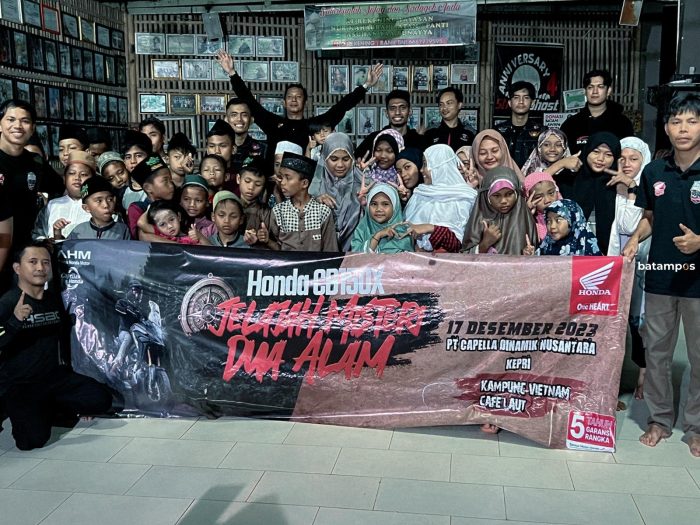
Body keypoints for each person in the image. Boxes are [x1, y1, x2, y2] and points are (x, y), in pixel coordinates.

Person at [622, 93, 700, 456]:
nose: (683, 129)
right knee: (657, 355)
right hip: (660, 277)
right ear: (666, 128)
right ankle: (659, 420)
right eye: (676, 122)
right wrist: (634, 240)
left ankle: (696, 427)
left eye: (692, 121)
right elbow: (650, 217)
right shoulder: (654, 171)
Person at [0, 241, 114, 450]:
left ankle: (51, 407)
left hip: (54, 378)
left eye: (45, 262)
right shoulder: (7, 302)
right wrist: (14, 322)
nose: (40, 268)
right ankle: (20, 409)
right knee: (31, 442)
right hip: (21, 383)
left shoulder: (53, 300)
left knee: (101, 400)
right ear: (17, 268)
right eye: (33, 262)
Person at [217, 49, 381, 157]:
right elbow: (250, 102)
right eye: (290, 97)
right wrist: (232, 73)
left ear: (305, 102)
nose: (294, 100)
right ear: (284, 102)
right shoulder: (272, 123)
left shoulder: (314, 126)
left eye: (298, 97)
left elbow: (341, 107)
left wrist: (366, 85)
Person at [607, 137, 652, 398]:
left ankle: (644, 374)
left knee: (640, 320)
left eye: (633, 159)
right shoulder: (613, 187)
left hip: (643, 259)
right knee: (616, 320)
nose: (626, 164)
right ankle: (615, 377)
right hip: (617, 260)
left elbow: (637, 223)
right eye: (622, 159)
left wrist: (633, 188)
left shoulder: (649, 186)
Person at [0, 100, 63, 279]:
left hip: (26, 252)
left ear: (33, 128)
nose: (17, 126)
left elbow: (60, 189)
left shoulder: (36, 162)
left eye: (25, 121)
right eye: (11, 119)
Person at [403, 144, 479, 252]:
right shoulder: (419, 194)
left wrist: (431, 228)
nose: (421, 170)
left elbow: (462, 243)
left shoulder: (465, 198)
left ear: (439, 166)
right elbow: (405, 230)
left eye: (425, 164)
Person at [267, 152, 338, 252]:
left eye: (288, 178)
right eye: (281, 177)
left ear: (304, 183)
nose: (282, 182)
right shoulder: (278, 211)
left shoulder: (322, 212)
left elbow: (330, 250)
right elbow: (275, 251)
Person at [462, 167, 538, 255]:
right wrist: (484, 244)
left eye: (509, 194)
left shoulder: (524, 219)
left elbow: (537, 252)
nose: (503, 201)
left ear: (516, 193)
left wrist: (529, 255)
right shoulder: (479, 220)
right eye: (496, 196)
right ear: (486, 196)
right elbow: (464, 257)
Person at [561, 69, 634, 155]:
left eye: (600, 87)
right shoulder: (571, 124)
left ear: (608, 91)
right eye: (590, 87)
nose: (595, 91)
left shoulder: (622, 123)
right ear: (585, 91)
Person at [310, 133, 363, 252]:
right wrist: (315, 200)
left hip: (355, 253)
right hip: (321, 253)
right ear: (324, 158)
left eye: (346, 159)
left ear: (352, 158)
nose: (340, 165)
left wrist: (366, 202)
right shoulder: (313, 186)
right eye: (334, 159)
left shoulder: (364, 184)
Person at [571, 131, 621, 254]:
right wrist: (560, 164)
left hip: (609, 253)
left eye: (608, 154)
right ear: (587, 150)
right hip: (571, 252)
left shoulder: (619, 184)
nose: (600, 159)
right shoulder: (570, 179)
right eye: (596, 152)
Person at [40, 151, 96, 241]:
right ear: (64, 178)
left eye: (83, 174)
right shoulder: (52, 205)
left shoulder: (99, 206)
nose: (77, 178)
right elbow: (38, 234)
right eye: (72, 173)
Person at [356, 90, 426, 159]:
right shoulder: (373, 138)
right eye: (393, 108)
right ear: (386, 113)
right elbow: (355, 161)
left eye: (402, 108)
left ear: (410, 111)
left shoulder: (418, 140)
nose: (397, 112)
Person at [523, 199, 602, 256]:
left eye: (558, 220)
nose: (552, 226)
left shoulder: (589, 248)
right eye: (549, 221)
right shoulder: (546, 246)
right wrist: (532, 258)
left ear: (573, 221)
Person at [351, 183, 414, 254]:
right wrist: (378, 235)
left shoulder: (402, 232)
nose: (379, 209)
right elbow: (355, 256)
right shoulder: (362, 229)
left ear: (395, 207)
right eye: (374, 204)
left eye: (385, 204)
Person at [521, 128, 583, 198]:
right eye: (546, 145)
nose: (552, 149)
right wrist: (561, 163)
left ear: (564, 148)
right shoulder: (531, 170)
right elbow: (531, 185)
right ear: (539, 148)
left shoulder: (571, 173)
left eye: (558, 145)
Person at [66, 176, 130, 240]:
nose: (106, 205)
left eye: (110, 199)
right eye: (99, 201)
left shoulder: (123, 230)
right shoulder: (78, 231)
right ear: (86, 208)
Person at [495, 81, 543, 167]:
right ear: (510, 103)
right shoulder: (497, 132)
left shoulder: (542, 132)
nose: (521, 101)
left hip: (532, 175)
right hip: (503, 175)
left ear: (532, 102)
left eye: (526, 97)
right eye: (516, 97)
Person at [127, 155, 175, 240]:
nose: (171, 185)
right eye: (165, 181)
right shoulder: (138, 208)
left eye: (171, 180)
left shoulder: (175, 204)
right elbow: (143, 236)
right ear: (148, 188)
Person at [424, 87, 476, 152]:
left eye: (449, 103)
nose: (444, 108)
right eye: (441, 104)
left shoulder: (470, 133)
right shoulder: (430, 132)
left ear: (459, 105)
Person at [225, 98, 267, 173]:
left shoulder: (263, 149)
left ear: (251, 120)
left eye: (244, 115)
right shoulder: (218, 148)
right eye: (234, 115)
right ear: (226, 120)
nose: (239, 119)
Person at [523, 171, 562, 243]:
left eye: (551, 193)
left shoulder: (570, 214)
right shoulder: (533, 223)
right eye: (539, 197)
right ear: (529, 199)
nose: (547, 200)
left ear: (557, 191)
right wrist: (527, 214)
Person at [206, 120, 237, 189]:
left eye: (223, 146)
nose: (217, 151)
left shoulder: (240, 178)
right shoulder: (201, 178)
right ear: (207, 150)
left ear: (233, 149)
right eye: (212, 146)